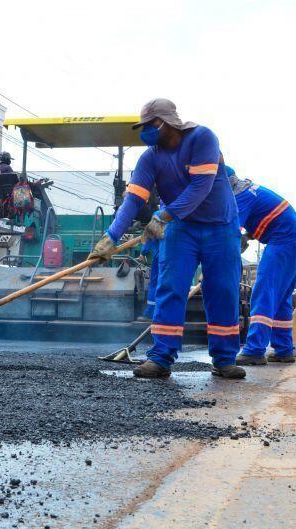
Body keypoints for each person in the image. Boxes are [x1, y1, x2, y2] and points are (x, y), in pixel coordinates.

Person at [90, 98, 244, 379]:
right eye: (143, 126)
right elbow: (134, 200)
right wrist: (110, 238)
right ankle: (161, 357)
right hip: (181, 228)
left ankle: (224, 359)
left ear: (167, 122)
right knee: (170, 287)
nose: (145, 131)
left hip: (220, 226)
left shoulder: (202, 138)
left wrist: (163, 216)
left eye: (149, 125)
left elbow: (201, 187)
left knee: (222, 290)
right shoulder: (150, 157)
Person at [227, 167, 296, 365]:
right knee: (280, 299)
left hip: (282, 240)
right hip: (294, 240)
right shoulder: (250, 190)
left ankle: (254, 349)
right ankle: (284, 349)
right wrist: (249, 236)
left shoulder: (239, 197)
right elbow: (265, 217)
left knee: (263, 291)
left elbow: (229, 233)